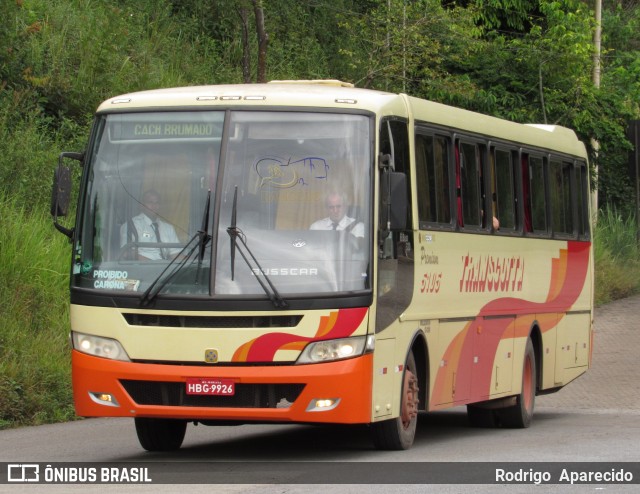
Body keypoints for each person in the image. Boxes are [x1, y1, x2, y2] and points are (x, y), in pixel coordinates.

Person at [120, 189, 182, 260]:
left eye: (157, 203)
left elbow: (176, 255)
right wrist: (153, 266)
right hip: (142, 268)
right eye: (150, 202)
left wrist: (195, 261)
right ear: (142, 205)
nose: (154, 206)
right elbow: (127, 253)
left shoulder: (168, 228)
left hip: (165, 268)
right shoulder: (132, 225)